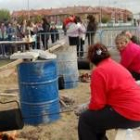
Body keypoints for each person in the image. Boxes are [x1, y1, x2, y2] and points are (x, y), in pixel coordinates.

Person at [76, 43, 140, 140]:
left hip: (130, 114)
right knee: (96, 118)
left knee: (85, 119)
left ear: (91, 59)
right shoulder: (115, 65)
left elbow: (98, 104)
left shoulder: (98, 71)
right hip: (134, 108)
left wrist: (86, 107)